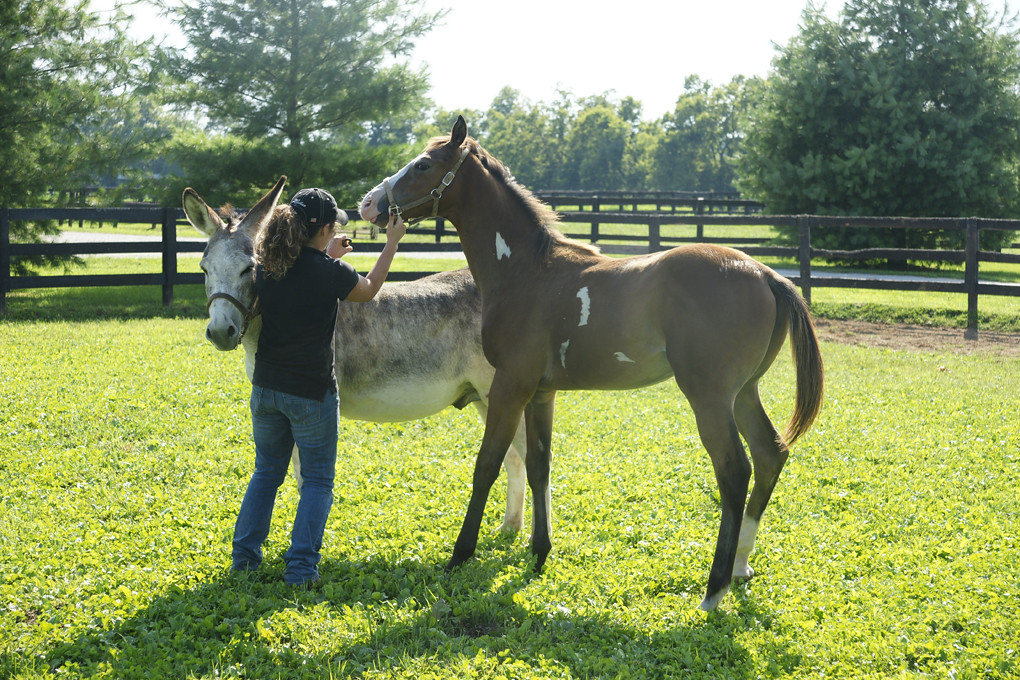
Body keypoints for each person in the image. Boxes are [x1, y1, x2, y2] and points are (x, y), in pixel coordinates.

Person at [231, 187, 405, 585]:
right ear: (326, 228)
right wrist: (391, 243)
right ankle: (301, 568)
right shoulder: (330, 274)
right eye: (333, 227)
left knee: (266, 473)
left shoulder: (267, 266)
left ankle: (244, 560)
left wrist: (328, 255)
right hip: (311, 393)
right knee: (318, 481)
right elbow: (370, 289)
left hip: (266, 388)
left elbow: (301, 272)